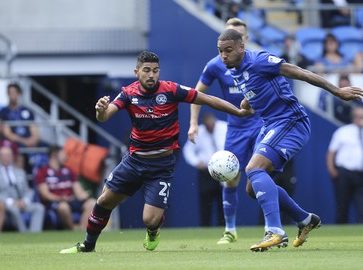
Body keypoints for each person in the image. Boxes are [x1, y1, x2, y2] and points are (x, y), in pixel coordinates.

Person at [60, 50, 253, 254]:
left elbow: (205, 98)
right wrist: (100, 110)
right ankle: (87, 245)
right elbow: (105, 116)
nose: (151, 75)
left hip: (161, 165)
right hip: (134, 161)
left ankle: (153, 231)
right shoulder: (128, 93)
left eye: (155, 70)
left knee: (149, 220)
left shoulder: (170, 90)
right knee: (104, 201)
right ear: (137, 72)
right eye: (146, 70)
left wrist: (238, 111)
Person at [216, 29, 363, 252]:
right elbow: (253, 87)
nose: (224, 56)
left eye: (228, 50)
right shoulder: (235, 69)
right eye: (220, 52)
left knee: (254, 169)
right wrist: (246, 106)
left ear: (241, 48)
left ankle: (275, 231)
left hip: (291, 120)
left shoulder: (259, 60)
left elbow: (298, 72)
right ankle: (304, 219)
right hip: (270, 124)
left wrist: (337, 91)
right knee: (251, 188)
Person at [188, 17, 262, 244]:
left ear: (244, 40)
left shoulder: (260, 60)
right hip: (236, 128)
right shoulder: (216, 64)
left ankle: (273, 228)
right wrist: (193, 123)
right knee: (230, 179)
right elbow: (196, 94)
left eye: (237, 35)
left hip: (261, 125)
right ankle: (230, 230)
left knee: (261, 176)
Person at [327, 106, 363, 223]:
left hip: (362, 175)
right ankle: (339, 234)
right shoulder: (343, 131)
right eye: (360, 117)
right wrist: (332, 169)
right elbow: (331, 152)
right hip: (344, 173)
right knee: (342, 205)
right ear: (354, 117)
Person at [35, 146, 96, 230]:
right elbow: (45, 195)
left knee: (92, 203)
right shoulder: (42, 172)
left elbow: (78, 190)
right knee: (63, 207)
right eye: (63, 154)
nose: (65, 157)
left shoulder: (69, 171)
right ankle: (72, 231)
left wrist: (82, 195)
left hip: (71, 200)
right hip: (55, 203)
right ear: (54, 155)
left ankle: (82, 231)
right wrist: (61, 198)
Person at [183, 112, 227, 227]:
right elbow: (188, 150)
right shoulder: (199, 131)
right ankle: (205, 227)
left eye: (212, 124)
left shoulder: (225, 127)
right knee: (205, 202)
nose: (210, 127)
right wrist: (196, 162)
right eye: (208, 125)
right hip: (206, 171)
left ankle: (224, 227)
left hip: (223, 170)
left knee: (223, 200)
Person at [0, 146, 45, 232]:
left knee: (39, 207)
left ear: (12, 156)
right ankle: (23, 233)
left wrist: (25, 200)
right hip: (6, 203)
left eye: (8, 155)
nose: (6, 157)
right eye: (3, 155)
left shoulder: (20, 172)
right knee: (13, 209)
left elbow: (28, 190)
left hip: (21, 202)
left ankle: (34, 234)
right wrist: (12, 202)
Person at [0, 83, 42, 174]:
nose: (12, 95)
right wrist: (25, 141)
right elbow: (7, 134)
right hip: (15, 142)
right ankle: (20, 180)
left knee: (47, 149)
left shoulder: (27, 111)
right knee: (18, 150)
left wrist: (33, 140)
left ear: (19, 94)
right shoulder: (3, 112)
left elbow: (35, 131)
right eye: (10, 93)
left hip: (29, 141)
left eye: (14, 92)